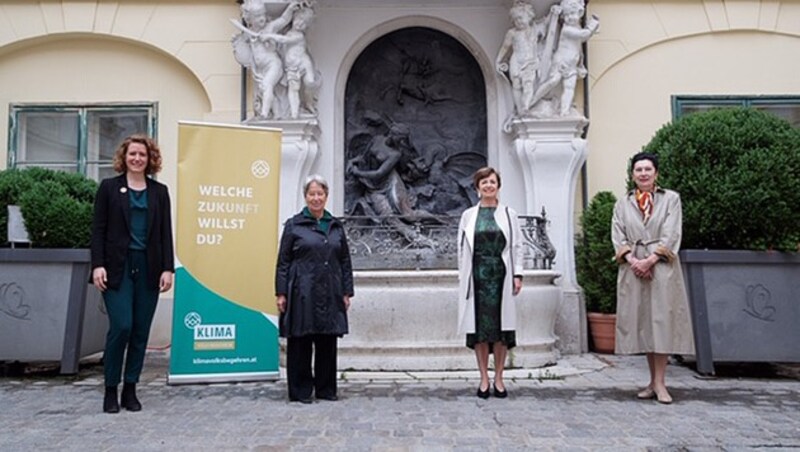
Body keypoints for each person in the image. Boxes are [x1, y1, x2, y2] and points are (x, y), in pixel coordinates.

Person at [90, 135, 174, 413]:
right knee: (122, 326)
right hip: (117, 267)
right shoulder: (109, 188)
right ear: (124, 157)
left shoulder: (159, 192)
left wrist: (167, 268)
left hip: (149, 267)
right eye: (132, 154)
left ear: (150, 160)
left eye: (143, 155)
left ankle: (130, 388)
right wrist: (97, 265)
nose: (137, 159)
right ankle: (110, 388)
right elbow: (98, 230)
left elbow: (165, 233)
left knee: (140, 331)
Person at [611, 152, 694, 404]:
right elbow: (617, 233)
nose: (643, 174)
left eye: (648, 169)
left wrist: (651, 259)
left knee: (663, 321)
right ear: (632, 174)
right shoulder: (622, 203)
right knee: (645, 323)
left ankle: (660, 382)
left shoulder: (671, 199)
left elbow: (672, 232)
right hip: (634, 268)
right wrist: (633, 260)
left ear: (656, 173)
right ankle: (651, 380)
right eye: (638, 170)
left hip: (662, 268)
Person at [275, 174, 354, 403]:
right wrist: (281, 293)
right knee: (301, 339)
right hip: (302, 290)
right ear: (306, 197)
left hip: (330, 290)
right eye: (312, 194)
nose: (316, 198)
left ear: (326, 196)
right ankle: (301, 390)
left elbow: (345, 261)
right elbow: (283, 262)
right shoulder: (294, 225)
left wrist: (347, 291)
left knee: (327, 340)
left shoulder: (335, 226)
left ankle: (326, 388)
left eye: (320, 194)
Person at [457, 167, 523, 399]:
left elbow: (516, 246)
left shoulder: (509, 214)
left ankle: (499, 378)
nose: (488, 186)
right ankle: (484, 378)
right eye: (483, 182)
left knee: (501, 330)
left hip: (501, 275)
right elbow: (462, 250)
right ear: (477, 188)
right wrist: (462, 277)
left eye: (492, 182)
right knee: (480, 331)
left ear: (498, 186)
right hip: (477, 277)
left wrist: (518, 274)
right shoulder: (468, 216)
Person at [233, 0, 300, 119]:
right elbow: (242, 45)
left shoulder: (270, 28)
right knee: (265, 89)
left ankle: (264, 114)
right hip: (260, 69)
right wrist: (237, 41)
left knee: (267, 85)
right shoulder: (250, 33)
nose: (262, 18)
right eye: (257, 16)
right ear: (250, 20)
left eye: (263, 14)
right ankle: (277, 113)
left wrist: (290, 9)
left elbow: (283, 20)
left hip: (274, 65)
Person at [531, 0, 599, 116]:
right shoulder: (567, 30)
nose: (570, 18)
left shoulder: (576, 27)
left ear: (580, 13)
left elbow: (579, 45)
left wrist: (580, 63)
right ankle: (533, 101)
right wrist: (593, 25)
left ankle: (564, 111)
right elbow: (583, 35)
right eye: (566, 15)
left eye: (572, 14)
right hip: (561, 62)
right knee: (552, 81)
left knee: (569, 87)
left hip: (572, 65)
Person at [261, 6, 319, 119]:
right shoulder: (288, 32)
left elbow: (284, 40)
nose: (299, 24)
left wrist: (269, 36)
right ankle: (294, 113)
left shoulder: (299, 36)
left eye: (303, 24)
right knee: (293, 89)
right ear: (294, 18)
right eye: (298, 20)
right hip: (291, 66)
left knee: (310, 82)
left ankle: (309, 102)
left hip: (303, 62)